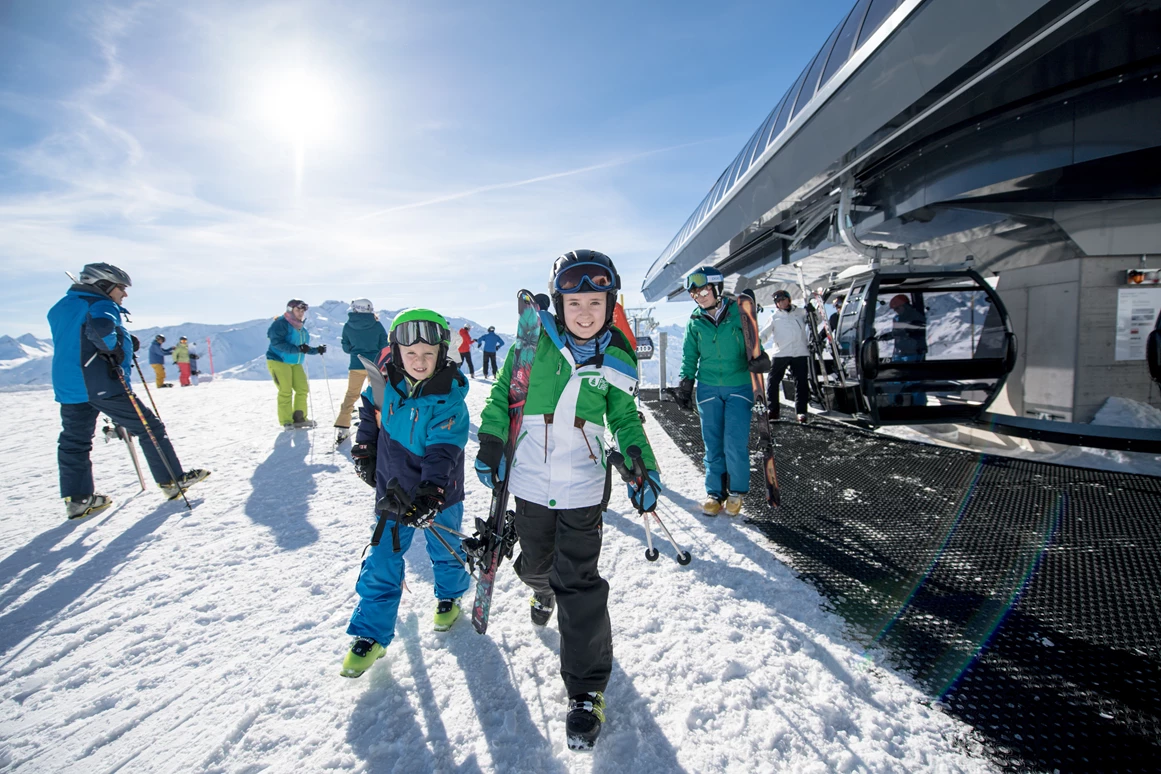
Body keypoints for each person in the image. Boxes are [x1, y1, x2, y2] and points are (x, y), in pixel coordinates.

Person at [475, 249, 659, 751]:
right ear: (559, 302)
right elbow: (500, 402)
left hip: (582, 488)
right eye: (574, 302)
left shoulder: (616, 356)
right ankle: (541, 589)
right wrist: (493, 441)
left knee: (579, 583)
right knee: (538, 567)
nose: (584, 312)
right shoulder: (531, 344)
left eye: (594, 302)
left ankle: (586, 691)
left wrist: (643, 466)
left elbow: (625, 420)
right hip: (531, 484)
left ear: (608, 303)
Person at [341, 309, 471, 678]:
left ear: (441, 354)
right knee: (382, 559)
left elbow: (443, 449)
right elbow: (369, 413)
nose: (419, 361)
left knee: (444, 548)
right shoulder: (382, 385)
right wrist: (365, 449)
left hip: (440, 490)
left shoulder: (448, 397)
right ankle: (370, 634)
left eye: (428, 354)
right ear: (396, 352)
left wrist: (431, 492)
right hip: (394, 490)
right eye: (410, 353)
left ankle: (449, 594)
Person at [47, 263, 210, 519]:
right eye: (120, 288)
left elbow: (77, 337)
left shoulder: (60, 307)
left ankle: (78, 500)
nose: (124, 294)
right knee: (149, 428)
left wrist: (123, 337)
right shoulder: (101, 304)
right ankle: (171, 481)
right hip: (100, 382)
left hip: (69, 384)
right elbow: (100, 333)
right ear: (103, 286)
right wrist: (119, 347)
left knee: (74, 440)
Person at [674, 266, 769, 517]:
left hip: (739, 386)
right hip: (707, 388)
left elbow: (755, 341)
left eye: (704, 289)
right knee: (712, 444)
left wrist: (761, 359)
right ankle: (715, 493)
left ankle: (736, 491)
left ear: (716, 288)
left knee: (734, 442)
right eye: (694, 293)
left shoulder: (738, 312)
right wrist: (686, 382)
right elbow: (689, 355)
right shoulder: (695, 321)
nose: (699, 296)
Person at [266, 299, 327, 428]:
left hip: (295, 362)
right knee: (285, 391)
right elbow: (276, 342)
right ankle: (286, 421)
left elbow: (302, 347)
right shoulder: (281, 324)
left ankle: (299, 418)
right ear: (290, 310)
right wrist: (297, 349)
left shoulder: (300, 327)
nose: (300, 313)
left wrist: (316, 350)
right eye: (297, 310)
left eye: (302, 310)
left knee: (302, 389)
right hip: (279, 361)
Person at [336, 299, 389, 445]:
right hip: (374, 365)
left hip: (356, 364)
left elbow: (346, 347)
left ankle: (342, 426)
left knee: (351, 394)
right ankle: (378, 425)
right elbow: (384, 345)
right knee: (376, 397)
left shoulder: (348, 325)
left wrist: (356, 349)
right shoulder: (377, 325)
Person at [766, 289, 811, 423]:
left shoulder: (801, 313)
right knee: (773, 381)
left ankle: (801, 412)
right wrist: (756, 345)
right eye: (778, 301)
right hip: (781, 352)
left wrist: (812, 311)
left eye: (782, 299)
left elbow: (816, 321)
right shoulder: (774, 317)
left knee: (801, 383)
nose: (781, 303)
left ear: (789, 299)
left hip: (800, 352)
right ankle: (773, 410)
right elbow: (765, 333)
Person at [882, 294, 928, 406]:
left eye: (897, 308)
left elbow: (916, 330)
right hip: (900, 352)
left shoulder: (916, 316)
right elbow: (898, 333)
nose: (896, 311)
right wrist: (888, 336)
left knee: (913, 381)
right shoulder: (897, 318)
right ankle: (895, 403)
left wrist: (897, 333)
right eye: (894, 309)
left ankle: (918, 406)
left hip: (913, 353)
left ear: (905, 306)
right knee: (894, 380)